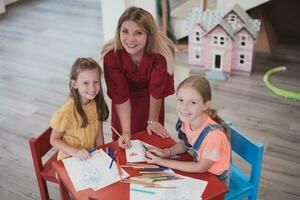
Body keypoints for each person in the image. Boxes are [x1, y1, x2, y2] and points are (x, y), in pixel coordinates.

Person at [101, 6, 176, 149]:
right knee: (125, 146)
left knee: (151, 143)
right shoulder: (112, 57)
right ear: (119, 32)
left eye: (138, 33)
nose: (130, 39)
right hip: (123, 107)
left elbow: (156, 90)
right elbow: (120, 95)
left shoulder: (160, 56)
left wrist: (152, 121)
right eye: (125, 31)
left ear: (149, 35)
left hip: (151, 104)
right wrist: (126, 131)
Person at [145, 75, 231, 185]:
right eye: (181, 100)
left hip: (216, 181)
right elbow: (185, 144)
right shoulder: (188, 119)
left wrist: (163, 162)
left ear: (205, 105)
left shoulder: (214, 136)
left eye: (193, 102)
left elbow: (201, 167)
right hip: (199, 171)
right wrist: (166, 153)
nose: (184, 108)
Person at [50, 57, 109, 160]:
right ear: (74, 84)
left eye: (96, 82)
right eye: (85, 83)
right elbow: (54, 139)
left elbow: (99, 135)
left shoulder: (97, 103)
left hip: (90, 156)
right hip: (69, 159)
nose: (92, 88)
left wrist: (101, 154)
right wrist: (75, 152)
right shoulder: (66, 112)